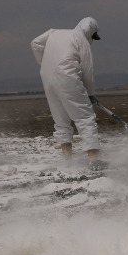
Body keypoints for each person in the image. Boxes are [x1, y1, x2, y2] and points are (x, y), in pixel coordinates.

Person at [31, 17, 102, 161]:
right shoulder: (82, 41)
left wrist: (44, 62)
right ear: (90, 32)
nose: (92, 39)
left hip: (47, 76)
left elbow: (35, 43)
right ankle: (94, 159)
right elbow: (87, 71)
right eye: (93, 36)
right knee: (85, 117)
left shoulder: (53, 32)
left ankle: (67, 160)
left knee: (61, 118)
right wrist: (90, 94)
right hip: (68, 77)